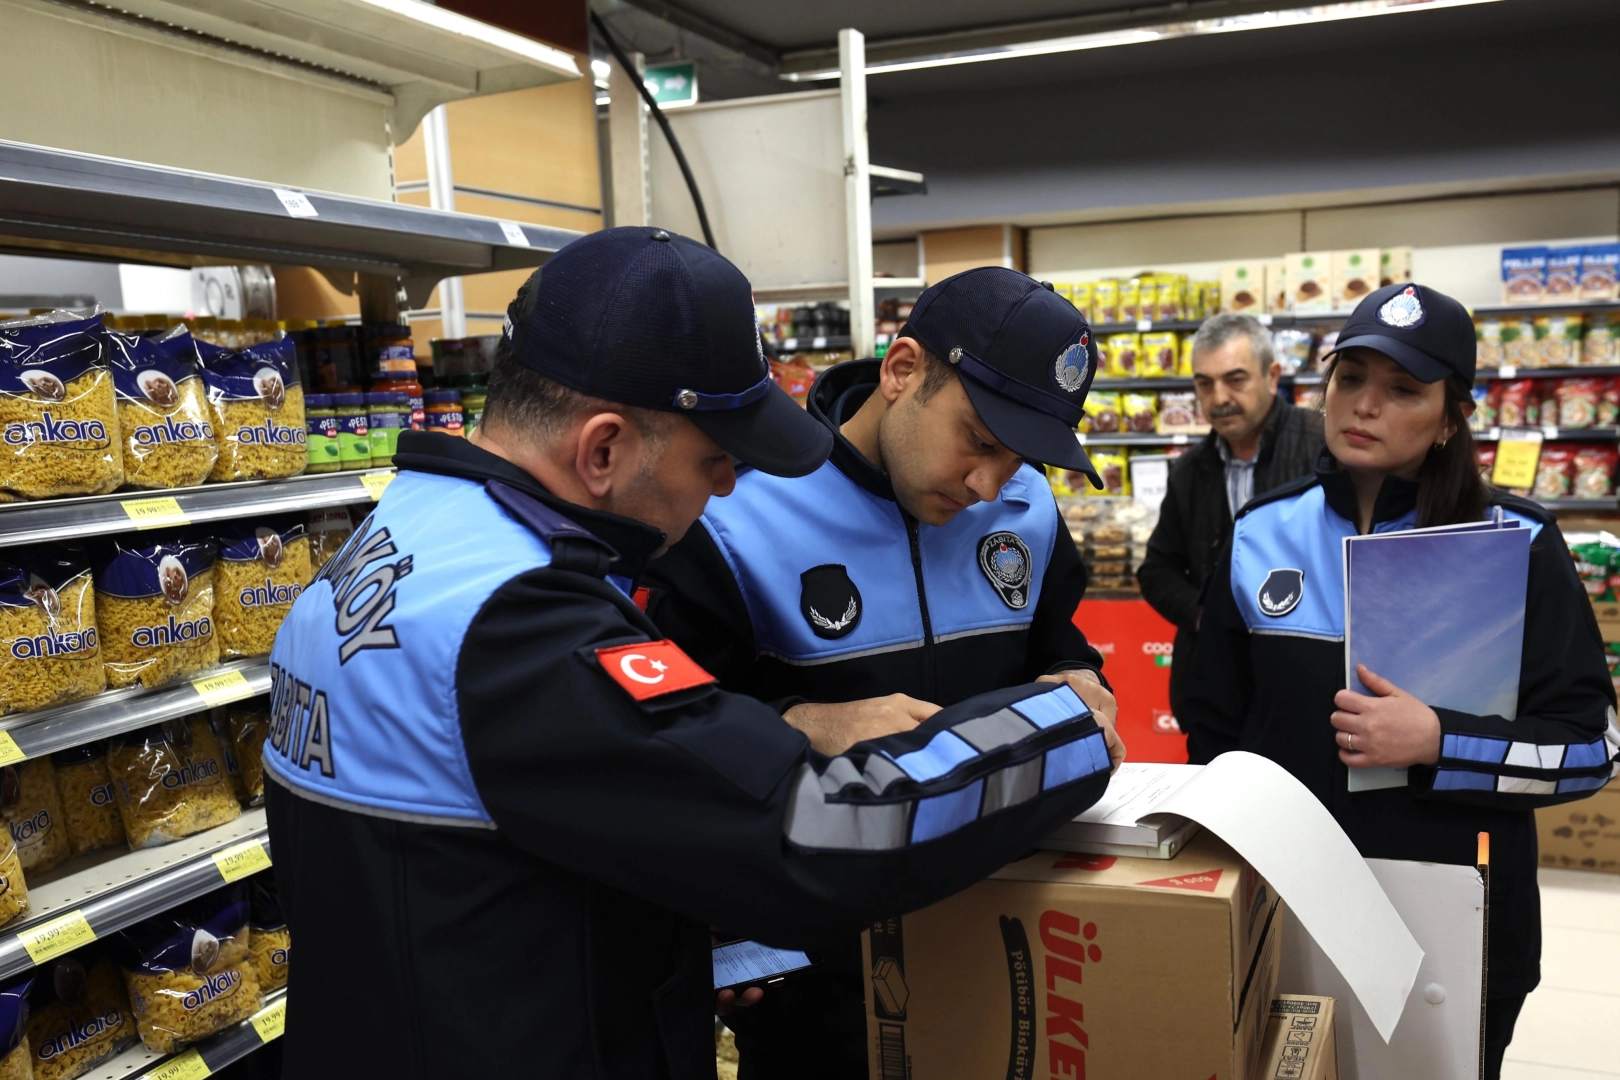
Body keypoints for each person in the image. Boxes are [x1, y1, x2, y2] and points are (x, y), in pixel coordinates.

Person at [262, 227, 1118, 1079]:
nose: (726, 490)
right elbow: (814, 830)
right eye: (714, 459)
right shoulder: (521, 623)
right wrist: (1065, 731)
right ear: (602, 449)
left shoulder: (396, 542)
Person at [643, 267, 1125, 1080]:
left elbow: (1058, 641)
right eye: (978, 439)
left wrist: (1077, 678)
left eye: (1019, 459)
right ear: (902, 370)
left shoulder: (1027, 510)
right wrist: (798, 722)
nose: (987, 486)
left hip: (1003, 956)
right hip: (815, 989)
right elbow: (665, 739)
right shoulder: (734, 516)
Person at [1179, 282, 1620, 1080]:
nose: (1365, 406)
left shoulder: (1516, 545)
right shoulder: (1260, 533)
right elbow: (1212, 725)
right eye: (1351, 379)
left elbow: (1591, 748)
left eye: (1404, 390)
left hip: (1457, 917)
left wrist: (1441, 741)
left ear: (1452, 415)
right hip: (1289, 906)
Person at [1136, 312, 1323, 722]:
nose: (1218, 398)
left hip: (1306, 687)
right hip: (1214, 689)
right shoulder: (1189, 470)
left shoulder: (1323, 448)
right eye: (1205, 384)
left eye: (1235, 380)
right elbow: (1157, 568)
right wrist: (1206, 616)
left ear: (1272, 376)